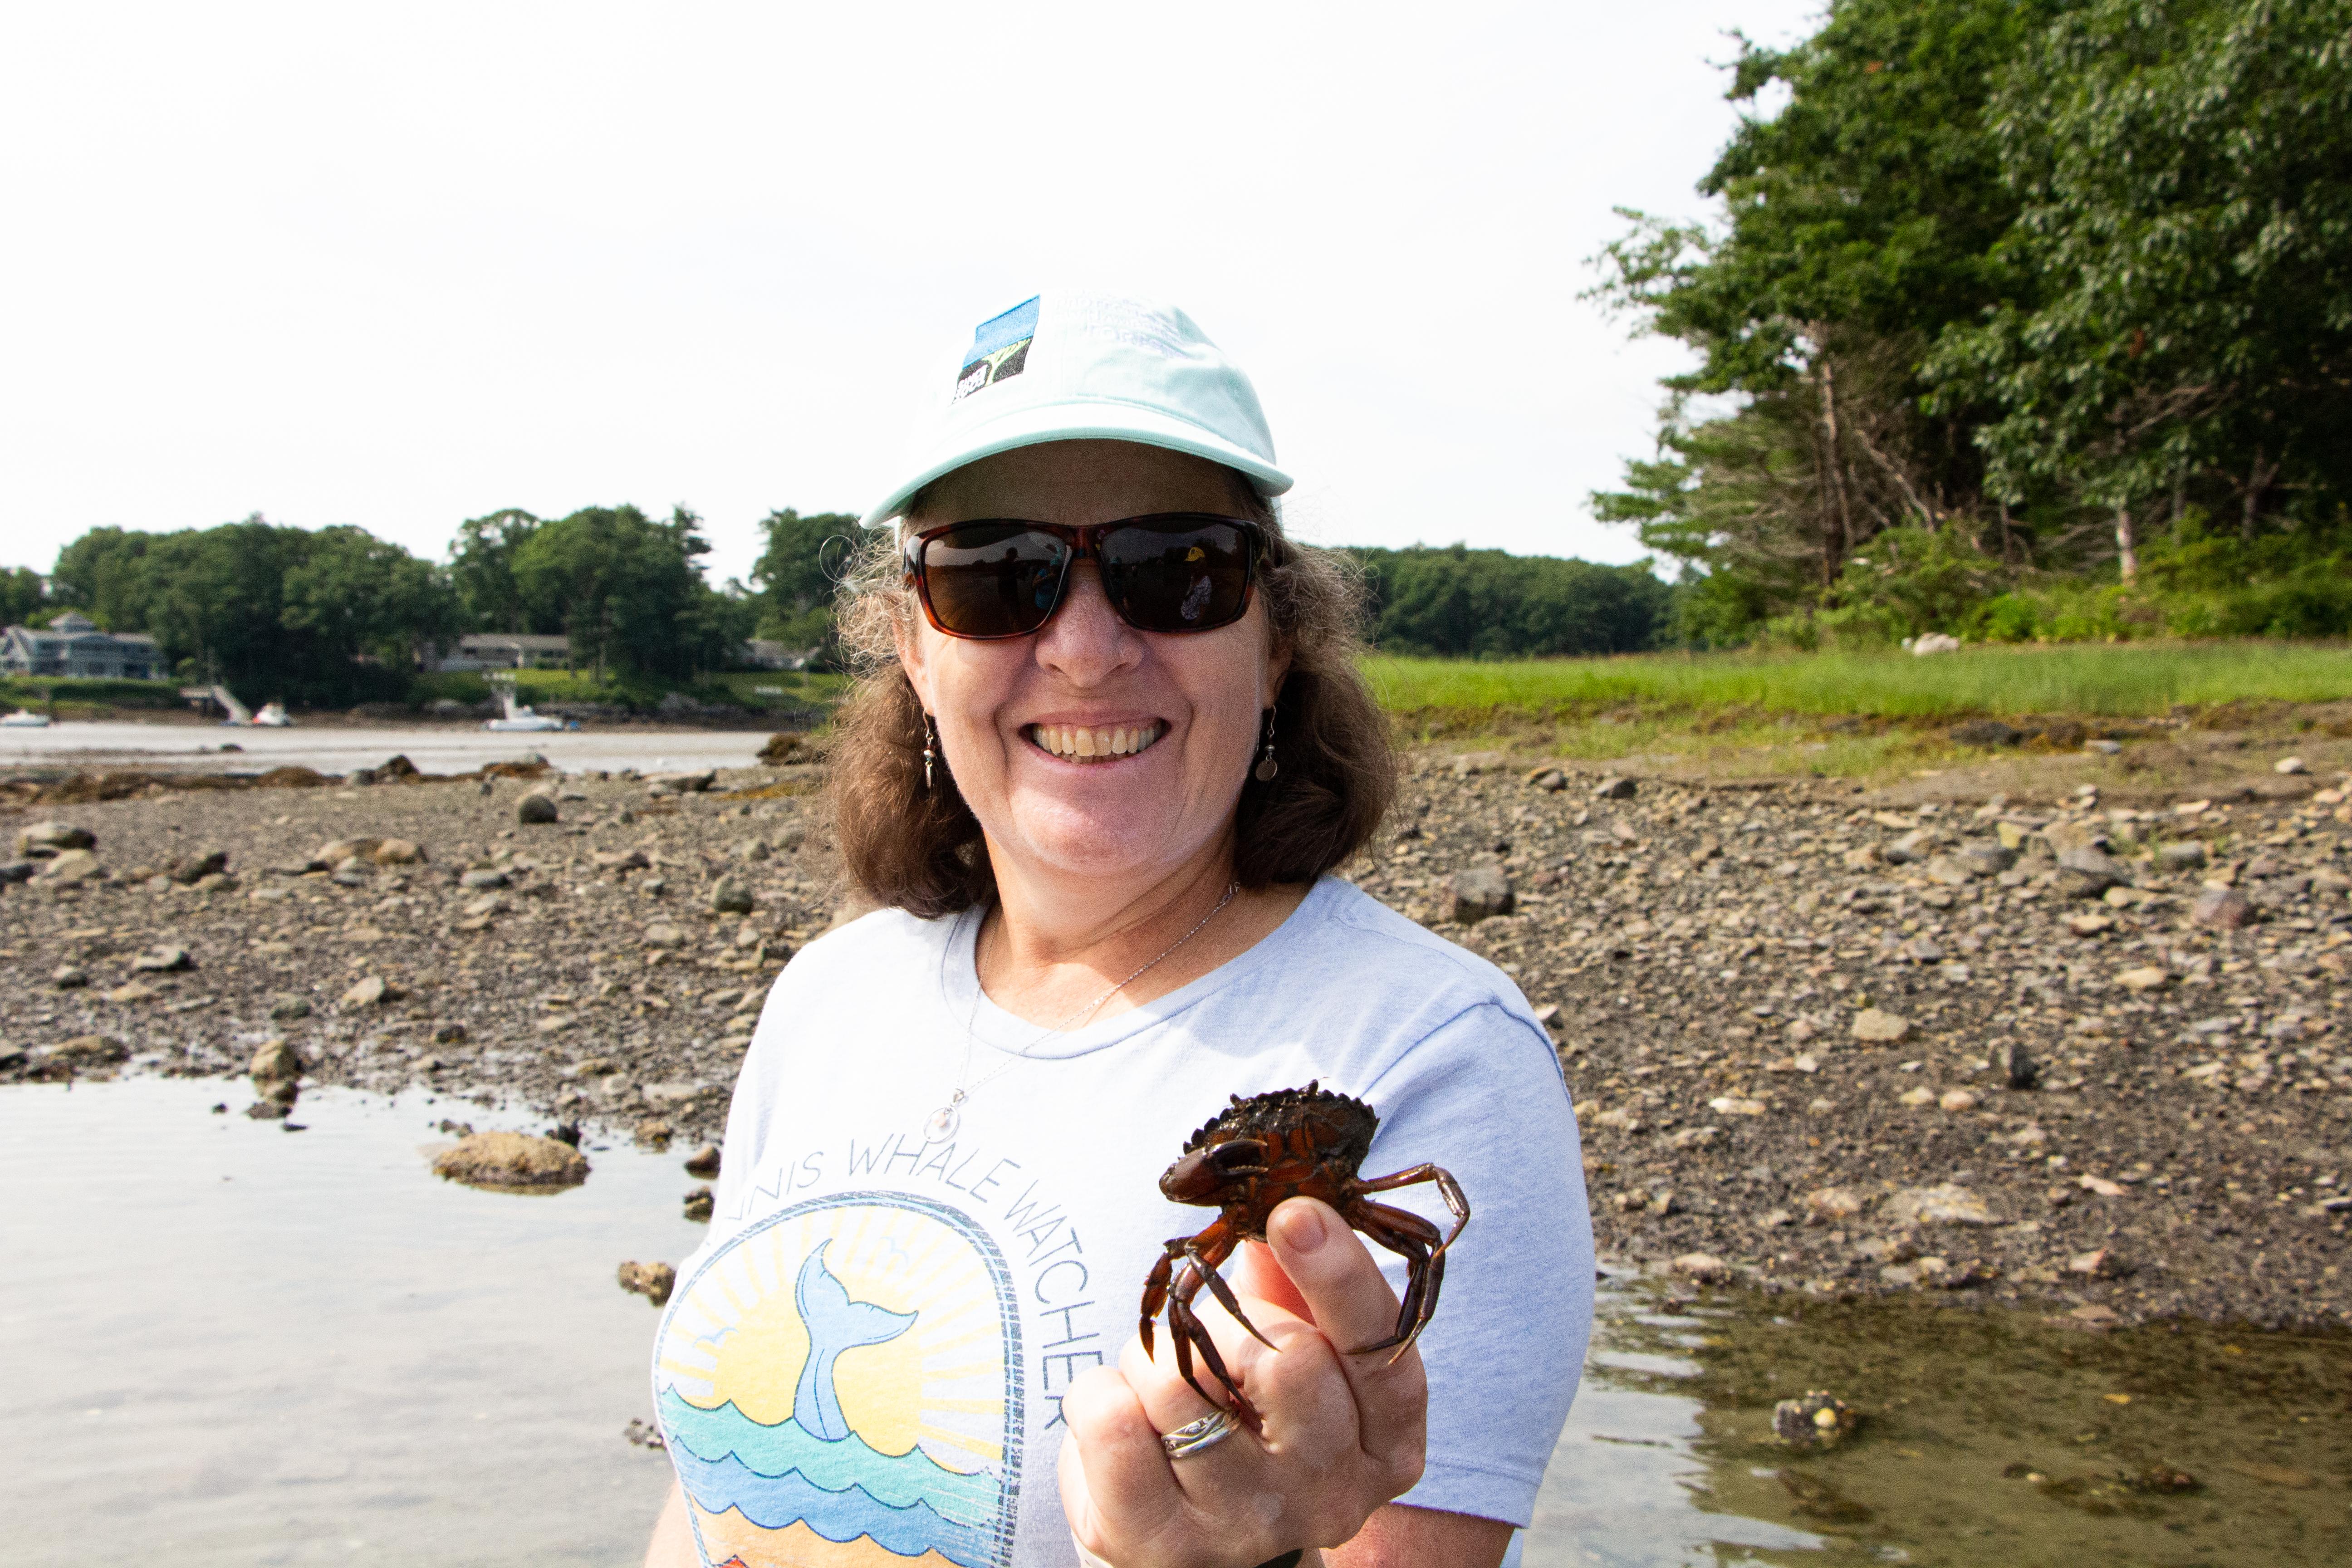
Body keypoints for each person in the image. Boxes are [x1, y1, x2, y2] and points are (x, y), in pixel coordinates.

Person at [643, 291, 1592, 1568]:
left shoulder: (1434, 1051)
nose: (1086, 650)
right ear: (913, 651)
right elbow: (698, 1512)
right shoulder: (827, 997)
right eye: (992, 579)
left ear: (1279, 642)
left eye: (1177, 571)